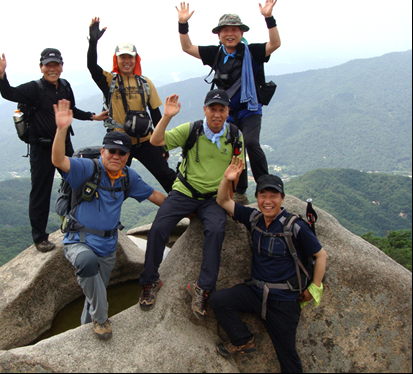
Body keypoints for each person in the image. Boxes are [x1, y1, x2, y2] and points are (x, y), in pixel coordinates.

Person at [51, 99, 166, 340]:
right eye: (111, 151)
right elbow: (59, 160)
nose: (116, 156)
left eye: (121, 152)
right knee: (87, 263)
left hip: (108, 247)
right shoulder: (87, 168)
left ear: (127, 156)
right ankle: (102, 320)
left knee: (95, 293)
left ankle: (84, 334)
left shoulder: (128, 177)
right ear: (102, 151)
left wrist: (191, 210)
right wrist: (62, 129)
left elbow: (155, 196)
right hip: (78, 241)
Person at [211, 156, 327, 373]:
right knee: (219, 300)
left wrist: (315, 287)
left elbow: (320, 255)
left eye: (273, 196)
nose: (267, 201)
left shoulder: (295, 226)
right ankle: (243, 339)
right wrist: (227, 179)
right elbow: (223, 201)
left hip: (283, 302)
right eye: (263, 195)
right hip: (256, 292)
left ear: (282, 199)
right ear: (257, 198)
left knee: (288, 358)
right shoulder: (254, 217)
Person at [138, 90, 245, 320]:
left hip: (214, 198)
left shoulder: (235, 135)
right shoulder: (192, 130)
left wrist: (230, 203)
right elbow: (156, 141)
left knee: (216, 231)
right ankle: (150, 281)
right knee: (158, 229)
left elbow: (236, 173)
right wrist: (166, 117)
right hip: (184, 191)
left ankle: (203, 288)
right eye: (213, 109)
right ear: (205, 109)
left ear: (228, 112)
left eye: (222, 109)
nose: (217, 114)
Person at [0, 48, 108, 253]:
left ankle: (80, 224)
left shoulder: (65, 86)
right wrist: (1, 74)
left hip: (63, 146)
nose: (52, 69)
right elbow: (9, 93)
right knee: (40, 193)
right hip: (41, 148)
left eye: (56, 65)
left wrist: (93, 116)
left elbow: (72, 110)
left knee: (78, 184)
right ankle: (40, 238)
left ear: (61, 67)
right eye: (48, 65)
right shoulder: (34, 89)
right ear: (41, 67)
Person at [176, 0, 281, 202]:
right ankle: (239, 191)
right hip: (225, 114)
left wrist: (269, 18)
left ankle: (264, 186)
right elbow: (187, 47)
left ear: (241, 32)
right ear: (219, 35)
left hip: (249, 109)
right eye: (225, 30)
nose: (230, 34)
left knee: (250, 143)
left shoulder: (253, 52)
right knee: (234, 150)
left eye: (234, 30)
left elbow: (275, 43)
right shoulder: (216, 54)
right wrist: (182, 23)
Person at [87, 17, 177, 193]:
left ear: (136, 59)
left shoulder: (145, 83)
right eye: (123, 57)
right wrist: (93, 42)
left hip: (145, 140)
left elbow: (156, 115)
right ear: (117, 60)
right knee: (111, 182)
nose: (127, 61)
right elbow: (92, 66)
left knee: (166, 176)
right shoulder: (109, 81)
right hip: (119, 141)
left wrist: (161, 145)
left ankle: (189, 210)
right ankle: (108, 218)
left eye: (130, 57)